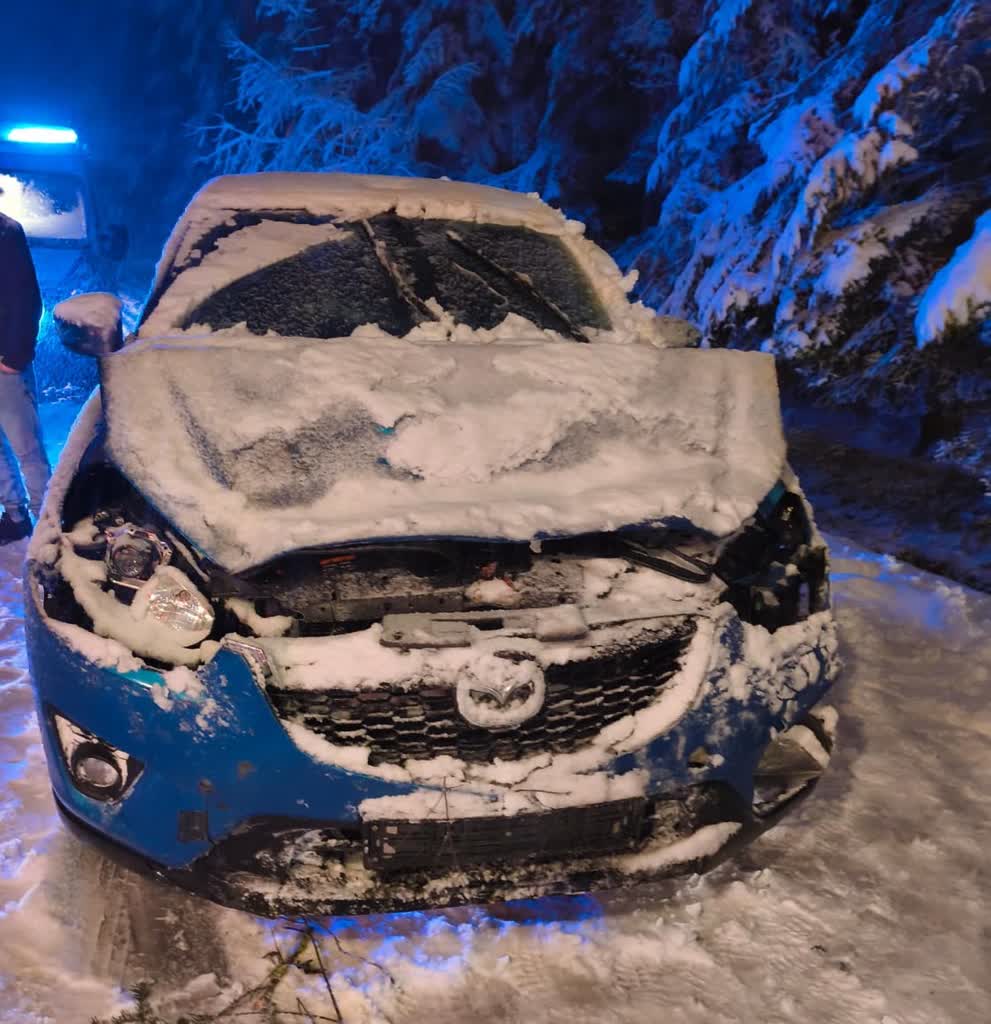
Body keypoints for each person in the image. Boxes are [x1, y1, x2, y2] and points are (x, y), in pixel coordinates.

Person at [0, 211, 51, 544]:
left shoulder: (6, 232)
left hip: (4, 363)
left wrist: (15, 357)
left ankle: (47, 521)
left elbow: (27, 298)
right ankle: (15, 516)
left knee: (26, 448)